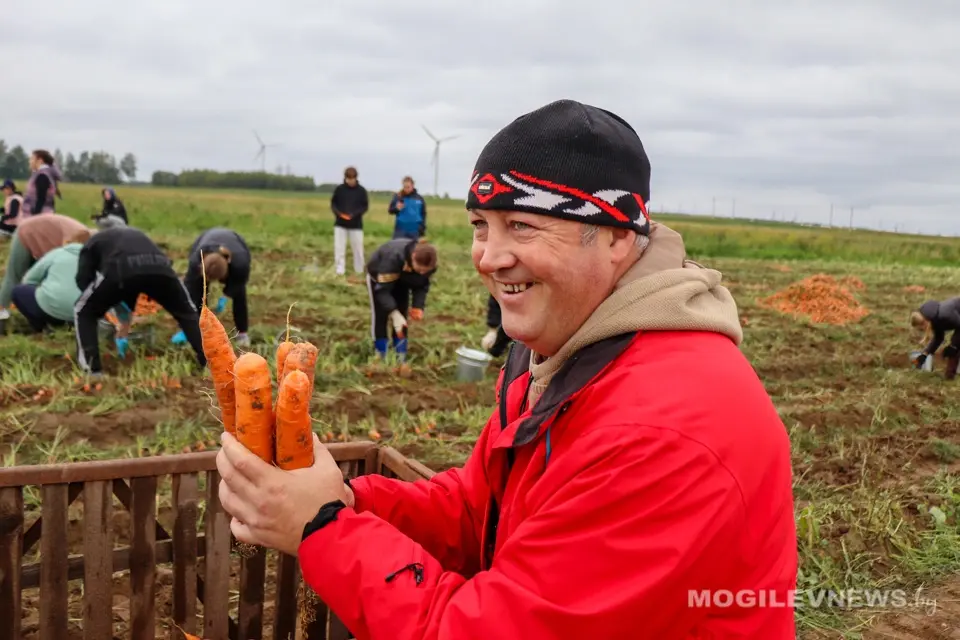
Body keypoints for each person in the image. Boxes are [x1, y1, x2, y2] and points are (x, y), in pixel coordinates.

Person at [215, 99, 797, 638]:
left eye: (521, 225)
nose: (489, 257)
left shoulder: (663, 432)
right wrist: (344, 498)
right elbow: (478, 513)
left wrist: (323, 528)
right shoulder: (561, 350)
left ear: (617, 235)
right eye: (479, 225)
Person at [74, 226, 207, 375]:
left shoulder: (90, 244)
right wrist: (123, 315)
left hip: (121, 269)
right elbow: (136, 279)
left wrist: (101, 303)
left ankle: (92, 370)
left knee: (82, 310)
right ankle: (210, 362)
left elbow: (83, 281)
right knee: (187, 313)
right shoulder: (130, 234)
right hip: (161, 268)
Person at [0, 213, 89, 325]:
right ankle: (2, 316)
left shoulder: (86, 241)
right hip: (27, 232)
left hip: (48, 240)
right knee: (14, 276)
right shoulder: (73, 240)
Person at [175, 227, 252, 347]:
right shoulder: (196, 260)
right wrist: (186, 327)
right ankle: (195, 330)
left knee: (239, 295)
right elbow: (190, 294)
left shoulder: (240, 264)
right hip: (206, 237)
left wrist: (227, 295)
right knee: (197, 293)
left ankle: (242, 333)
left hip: (235, 241)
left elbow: (239, 284)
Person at [364, 237, 437, 362]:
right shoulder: (393, 258)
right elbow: (382, 292)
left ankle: (400, 355)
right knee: (381, 315)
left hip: (403, 280)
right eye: (419, 269)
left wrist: (418, 306)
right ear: (413, 257)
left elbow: (421, 285)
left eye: (425, 271)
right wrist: (393, 313)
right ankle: (381, 355)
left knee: (402, 314)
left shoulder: (429, 265)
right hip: (380, 280)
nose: (422, 273)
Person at [11, 229, 92, 333]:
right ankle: (70, 324)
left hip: (50, 309)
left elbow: (29, 279)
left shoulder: (58, 253)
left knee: (18, 291)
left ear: (69, 241)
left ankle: (41, 328)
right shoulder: (98, 259)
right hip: (83, 314)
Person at [330, 166, 369, 276]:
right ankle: (339, 270)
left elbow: (365, 206)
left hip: (356, 225)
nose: (350, 181)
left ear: (356, 178)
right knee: (339, 248)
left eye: (352, 179)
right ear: (345, 178)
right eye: (348, 179)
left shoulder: (361, 191)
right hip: (340, 224)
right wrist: (339, 214)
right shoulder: (339, 189)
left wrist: (355, 214)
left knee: (358, 248)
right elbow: (333, 204)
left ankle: (359, 270)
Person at [911, 298, 960, 379]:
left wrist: (953, 346)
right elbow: (938, 338)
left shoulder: (945, 315)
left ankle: (950, 376)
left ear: (924, 323)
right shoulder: (934, 319)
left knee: (955, 346)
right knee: (954, 347)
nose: (923, 330)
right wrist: (925, 354)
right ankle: (949, 377)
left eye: (921, 329)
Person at [21, 149, 63, 218]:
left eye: (32, 159)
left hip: (39, 217)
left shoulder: (42, 176)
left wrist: (34, 218)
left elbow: (41, 199)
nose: (29, 162)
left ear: (40, 161)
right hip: (43, 215)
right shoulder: (44, 174)